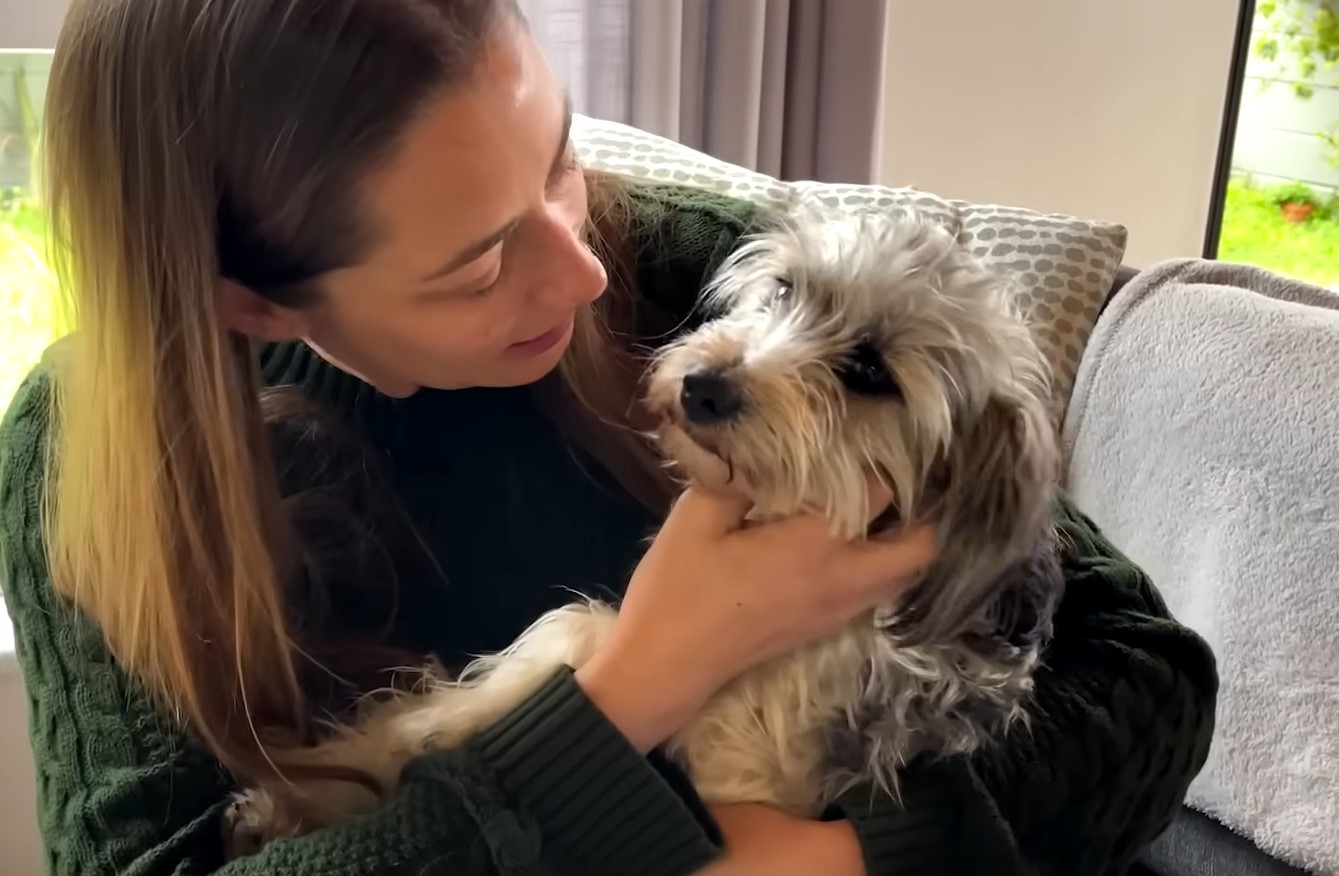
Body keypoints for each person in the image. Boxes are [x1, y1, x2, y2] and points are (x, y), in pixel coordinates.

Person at [0, 0, 1218, 874]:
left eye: (560, 159)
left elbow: (1148, 682)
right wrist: (634, 686)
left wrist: (838, 856)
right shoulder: (84, 458)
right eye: (480, 264)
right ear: (252, 303)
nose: (582, 272)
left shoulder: (694, 267)